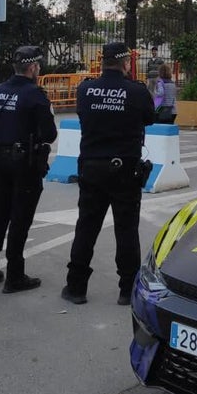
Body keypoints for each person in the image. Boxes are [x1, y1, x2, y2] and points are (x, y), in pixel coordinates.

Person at [63, 41, 157, 306]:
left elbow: (83, 115)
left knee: (86, 227)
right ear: (126, 63)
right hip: (124, 170)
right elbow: (150, 118)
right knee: (126, 230)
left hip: (92, 168)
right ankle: (127, 289)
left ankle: (75, 287)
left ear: (103, 62)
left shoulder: (85, 89)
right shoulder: (136, 91)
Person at [0, 45, 57, 294]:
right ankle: (15, 276)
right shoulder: (35, 95)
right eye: (38, 66)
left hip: (0, 161)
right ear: (33, 67)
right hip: (25, 164)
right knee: (20, 219)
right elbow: (49, 134)